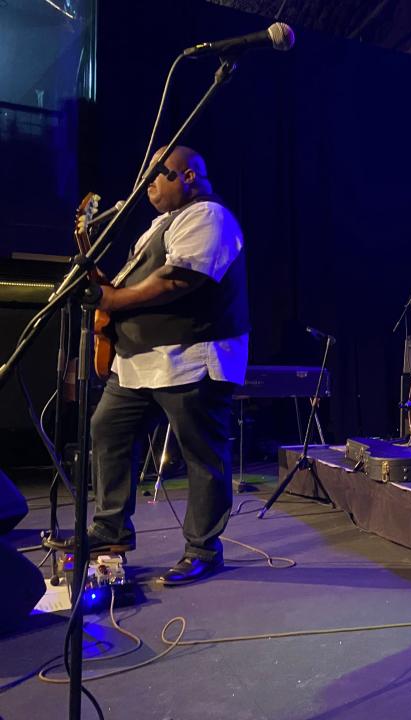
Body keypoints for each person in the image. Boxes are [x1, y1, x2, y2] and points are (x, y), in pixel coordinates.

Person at [49, 145, 248, 586]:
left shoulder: (208, 216)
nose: (149, 184)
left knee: (202, 455)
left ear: (189, 177)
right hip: (144, 363)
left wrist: (114, 299)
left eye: (160, 175)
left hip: (194, 358)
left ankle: (203, 549)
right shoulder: (160, 225)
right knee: (108, 429)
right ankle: (111, 530)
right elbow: (131, 283)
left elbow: (179, 279)